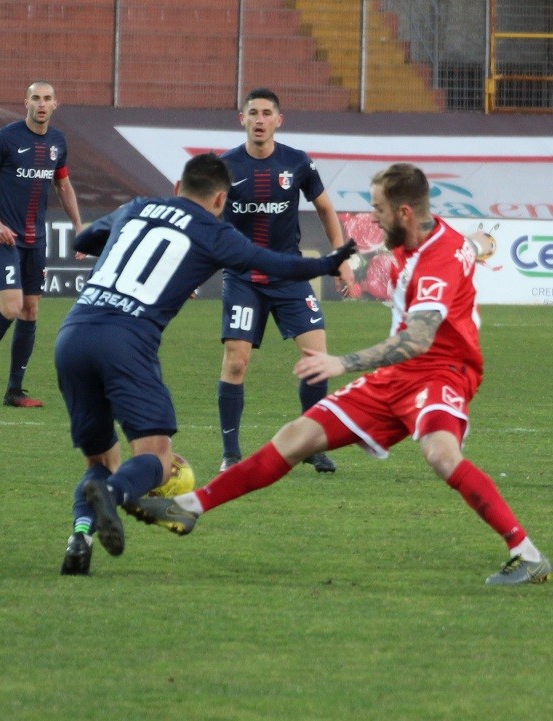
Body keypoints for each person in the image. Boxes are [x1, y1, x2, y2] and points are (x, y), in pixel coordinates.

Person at [125, 163, 553, 586]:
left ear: (404, 212)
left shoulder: (436, 260)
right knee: (296, 437)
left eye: (378, 209)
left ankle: (527, 554)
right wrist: (481, 241)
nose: (372, 218)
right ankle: (190, 507)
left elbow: (419, 339)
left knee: (441, 455)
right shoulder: (432, 236)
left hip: (442, 372)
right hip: (396, 377)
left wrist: (341, 363)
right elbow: (472, 244)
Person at [54, 153, 356, 575]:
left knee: (101, 462)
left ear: (178, 187)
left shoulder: (138, 206)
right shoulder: (214, 231)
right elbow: (275, 263)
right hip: (125, 343)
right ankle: (115, 495)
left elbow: (84, 241)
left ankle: (80, 538)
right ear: (220, 200)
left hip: (72, 336)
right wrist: (327, 262)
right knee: (158, 459)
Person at [217, 88, 355, 475]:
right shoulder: (225, 167)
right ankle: (231, 454)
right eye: (253, 113)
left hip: (289, 274)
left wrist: (341, 257)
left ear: (279, 120)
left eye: (266, 113)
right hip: (243, 278)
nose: (259, 120)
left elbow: (325, 208)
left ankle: (310, 445)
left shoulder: (297, 162)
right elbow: (205, 219)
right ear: (242, 119)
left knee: (317, 360)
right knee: (236, 362)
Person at [0, 80, 83, 407]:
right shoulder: (7, 138)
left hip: (36, 239)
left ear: (55, 104)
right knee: (11, 307)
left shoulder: (58, 141)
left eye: (47, 98)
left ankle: (14, 390)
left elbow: (63, 186)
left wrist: (79, 227)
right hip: (6, 237)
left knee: (30, 310)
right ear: (26, 102)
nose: (41, 104)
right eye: (36, 98)